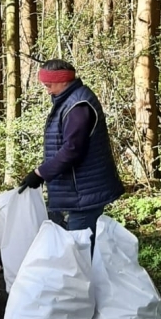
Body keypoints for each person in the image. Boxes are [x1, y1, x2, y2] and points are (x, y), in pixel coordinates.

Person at [18, 59, 123, 245]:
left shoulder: (78, 106)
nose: (47, 90)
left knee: (79, 248)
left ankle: (87, 275)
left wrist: (40, 173)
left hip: (83, 192)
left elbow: (72, 150)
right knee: (80, 245)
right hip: (80, 190)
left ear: (64, 81)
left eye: (49, 85)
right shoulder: (69, 100)